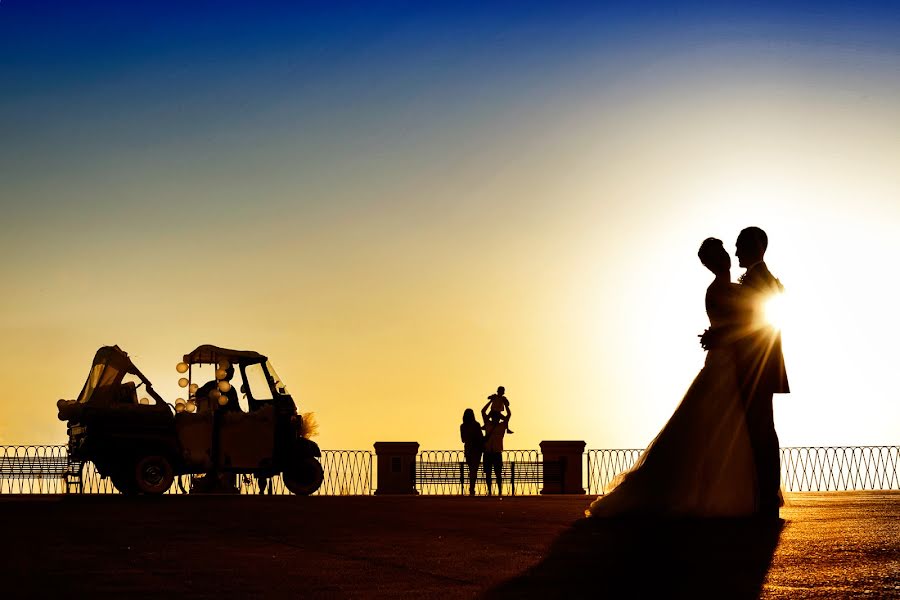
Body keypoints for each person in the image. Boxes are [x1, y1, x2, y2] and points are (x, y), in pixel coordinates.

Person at [586, 237, 757, 518]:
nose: (723, 258)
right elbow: (735, 326)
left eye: (722, 253)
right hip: (722, 363)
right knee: (708, 424)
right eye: (715, 257)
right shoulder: (716, 290)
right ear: (709, 264)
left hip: (735, 364)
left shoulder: (735, 287)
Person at [704, 226, 790, 518]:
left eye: (740, 245)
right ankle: (761, 493)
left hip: (757, 365)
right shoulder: (759, 279)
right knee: (759, 429)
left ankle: (766, 496)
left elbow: (756, 323)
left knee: (762, 430)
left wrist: (722, 336)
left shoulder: (759, 280)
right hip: (756, 364)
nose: (736, 251)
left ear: (754, 245)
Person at [481, 401, 508, 496]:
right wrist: (491, 401)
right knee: (490, 473)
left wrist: (502, 404)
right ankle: (491, 491)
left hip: (494, 452)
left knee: (497, 473)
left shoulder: (500, 426)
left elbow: (508, 415)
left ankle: (498, 491)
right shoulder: (492, 425)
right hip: (491, 452)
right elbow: (483, 411)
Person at [460, 409, 484, 496]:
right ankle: (472, 488)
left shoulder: (462, 426)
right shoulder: (476, 425)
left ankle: (472, 487)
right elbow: (480, 437)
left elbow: (463, 440)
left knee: (472, 469)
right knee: (474, 469)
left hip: (468, 449)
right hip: (477, 449)